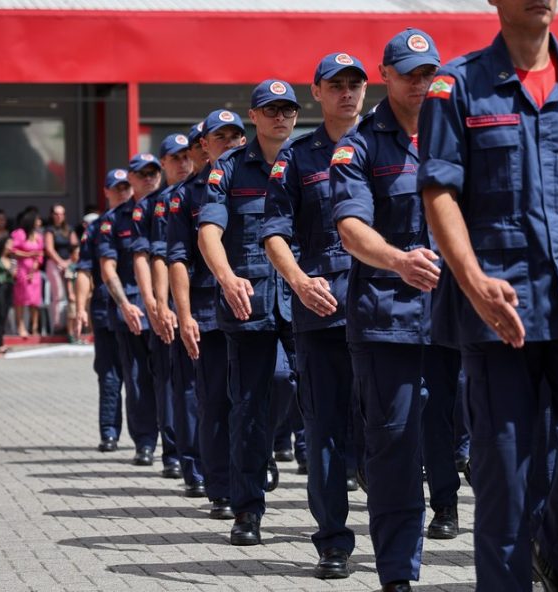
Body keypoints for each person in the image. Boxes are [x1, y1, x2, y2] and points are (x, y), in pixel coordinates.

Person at [417, 2, 558, 590]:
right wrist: (471, 279)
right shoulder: (457, 85)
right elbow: (439, 193)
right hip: (497, 306)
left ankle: (554, 553)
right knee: (505, 480)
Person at [330, 29, 469, 591]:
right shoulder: (359, 145)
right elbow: (350, 228)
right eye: (409, 73)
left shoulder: (458, 132)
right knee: (394, 447)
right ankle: (397, 574)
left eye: (427, 72)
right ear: (385, 75)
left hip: (459, 314)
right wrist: (397, 260)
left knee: (482, 438)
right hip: (388, 317)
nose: (420, 82)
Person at [262, 51, 369, 580]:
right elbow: (274, 232)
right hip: (322, 312)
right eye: (336, 85)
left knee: (390, 428)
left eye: (354, 84)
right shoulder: (298, 158)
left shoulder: (391, 144)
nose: (346, 93)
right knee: (324, 430)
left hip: (382, 310)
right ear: (318, 92)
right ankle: (332, 543)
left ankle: (397, 535)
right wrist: (299, 282)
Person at [197, 82, 298, 547]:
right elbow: (209, 231)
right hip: (250, 302)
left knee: (295, 390)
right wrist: (225, 277)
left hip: (303, 298)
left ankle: (272, 449)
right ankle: (247, 510)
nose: (280, 117)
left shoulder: (308, 159)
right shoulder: (230, 167)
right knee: (249, 405)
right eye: (270, 110)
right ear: (253, 116)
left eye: (287, 110)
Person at [168, 113, 243, 520]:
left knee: (273, 385)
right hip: (208, 308)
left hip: (255, 302)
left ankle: (254, 458)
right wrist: (183, 315)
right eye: (220, 136)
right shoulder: (186, 196)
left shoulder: (264, 179)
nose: (229, 142)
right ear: (204, 145)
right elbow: (178, 259)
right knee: (215, 399)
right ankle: (222, 487)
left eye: (236, 135)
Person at [132, 133, 201, 487]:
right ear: (164, 163)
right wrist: (158, 304)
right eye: (175, 157)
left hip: (204, 298)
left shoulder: (206, 190)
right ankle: (177, 455)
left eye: (187, 155)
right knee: (174, 383)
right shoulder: (159, 204)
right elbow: (154, 256)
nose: (183, 162)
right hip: (174, 302)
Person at [98, 154, 164, 467]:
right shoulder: (114, 220)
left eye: (153, 173)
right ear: (132, 179)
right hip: (133, 312)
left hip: (169, 309)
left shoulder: (172, 205)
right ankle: (145, 443)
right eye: (142, 174)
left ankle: (176, 449)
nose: (149, 178)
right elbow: (107, 267)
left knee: (171, 381)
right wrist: (124, 304)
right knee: (138, 381)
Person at [74, 168, 130, 452]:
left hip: (141, 312)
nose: (123, 192)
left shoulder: (144, 218)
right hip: (106, 311)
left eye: (126, 187)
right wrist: (80, 308)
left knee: (142, 377)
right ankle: (109, 433)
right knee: (109, 376)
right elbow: (84, 270)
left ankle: (150, 439)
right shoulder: (96, 228)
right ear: (106, 192)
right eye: (117, 188)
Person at [44, 203, 79, 334]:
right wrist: (61, 262)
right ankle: (57, 325)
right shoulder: (49, 230)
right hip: (54, 264)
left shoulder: (69, 229)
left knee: (72, 295)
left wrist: (69, 262)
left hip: (69, 264)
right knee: (58, 294)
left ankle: (70, 326)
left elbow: (75, 247)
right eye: (56, 214)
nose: (59, 216)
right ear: (52, 215)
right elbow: (49, 249)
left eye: (61, 214)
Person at [11, 207, 44, 337]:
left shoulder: (38, 236)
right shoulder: (19, 233)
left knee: (34, 300)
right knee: (20, 299)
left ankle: (34, 327)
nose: (40, 222)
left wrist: (34, 267)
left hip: (34, 272)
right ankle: (21, 326)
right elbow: (13, 250)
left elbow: (40, 254)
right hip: (22, 269)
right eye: (38, 219)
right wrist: (29, 254)